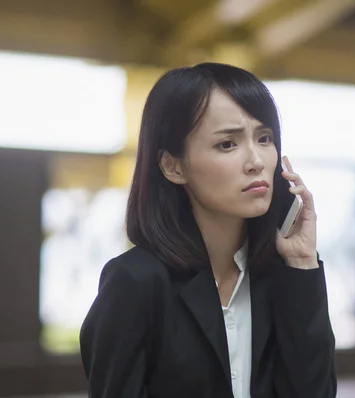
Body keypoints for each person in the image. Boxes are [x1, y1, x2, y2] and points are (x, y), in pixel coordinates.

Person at [79, 63, 337, 397]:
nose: (256, 161)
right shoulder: (136, 283)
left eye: (264, 138)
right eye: (227, 144)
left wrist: (302, 264)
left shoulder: (282, 276)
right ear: (173, 166)